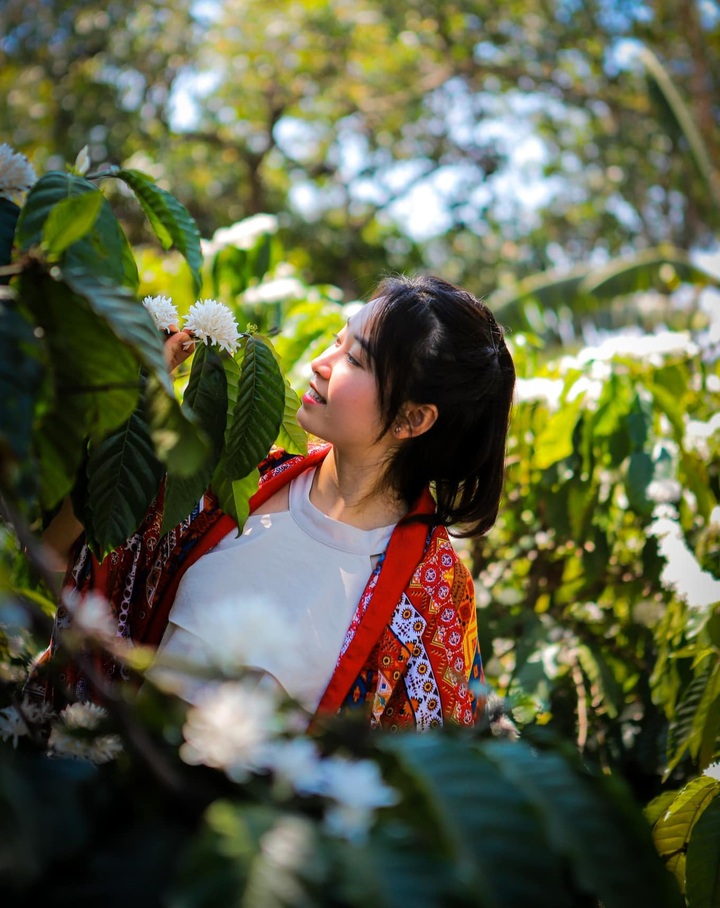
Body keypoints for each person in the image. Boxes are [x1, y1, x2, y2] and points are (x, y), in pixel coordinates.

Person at [30, 274, 516, 732]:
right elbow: (58, 560)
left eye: (356, 360)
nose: (321, 364)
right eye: (336, 341)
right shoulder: (233, 482)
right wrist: (130, 411)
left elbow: (412, 775)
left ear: (412, 419)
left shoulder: (432, 595)